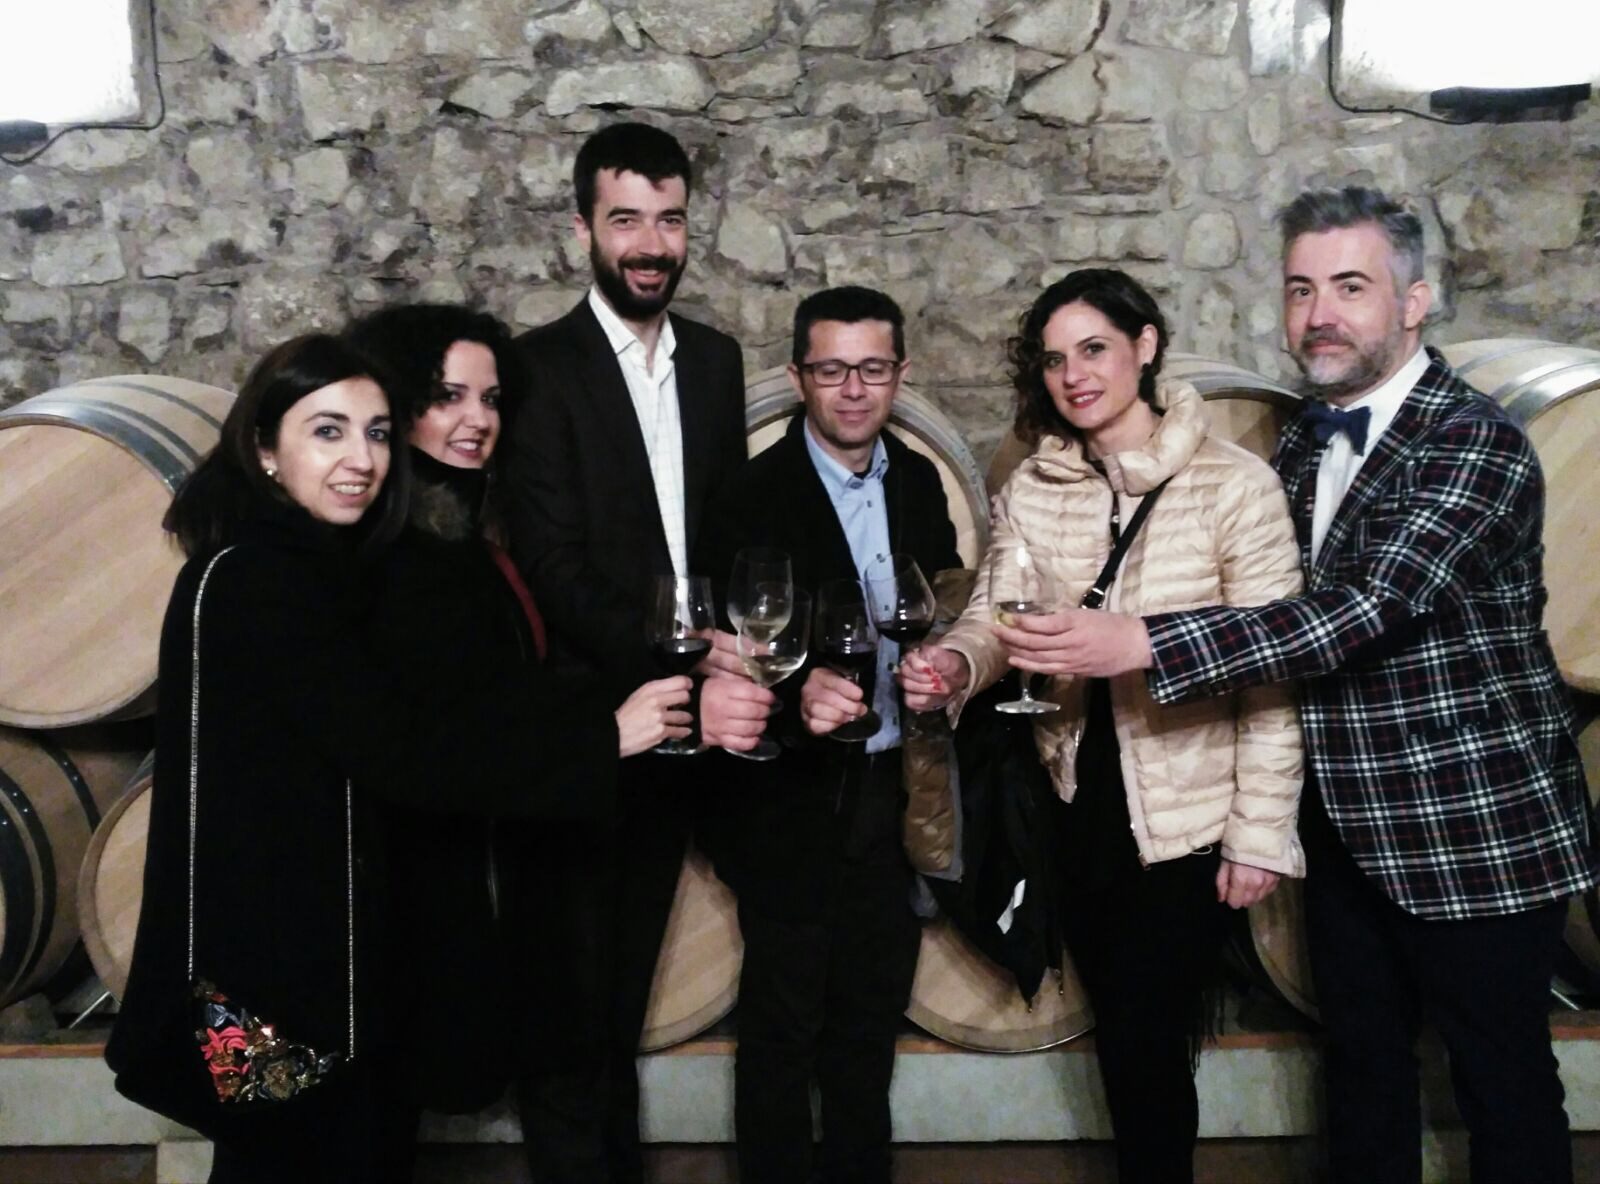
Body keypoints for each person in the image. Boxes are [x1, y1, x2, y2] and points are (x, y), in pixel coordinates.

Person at [1006, 190, 1598, 1184]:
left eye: (1350, 287)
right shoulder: (1306, 441)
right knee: (1361, 1071)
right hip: (1345, 824)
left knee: (1501, 1084)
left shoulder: (1472, 442)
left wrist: (1143, 639)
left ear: (1415, 301)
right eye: (1299, 289)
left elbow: (1363, 609)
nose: (1319, 313)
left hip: (1471, 823)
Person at [104, 335, 624, 1183]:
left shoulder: (293, 565)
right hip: (272, 984)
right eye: (328, 431)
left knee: (304, 1161)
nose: (362, 459)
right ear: (265, 450)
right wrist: (602, 739)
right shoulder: (264, 579)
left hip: (297, 970)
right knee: (299, 1164)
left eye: (377, 433)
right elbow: (401, 751)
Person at [901, 268, 1305, 1184]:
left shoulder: (1233, 486)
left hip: (1187, 814)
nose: (1074, 376)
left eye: (1093, 350)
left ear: (1145, 347)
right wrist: (957, 664)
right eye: (1054, 360)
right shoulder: (1036, 484)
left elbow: (1271, 670)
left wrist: (1258, 835)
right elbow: (996, 617)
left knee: (1150, 1038)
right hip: (1076, 798)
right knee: (1125, 1037)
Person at [343, 304, 692, 1120]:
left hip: (469, 873)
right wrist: (602, 736)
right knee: (340, 1131)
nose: (477, 420)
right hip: (390, 901)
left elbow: (495, 693)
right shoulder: (393, 556)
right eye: (449, 396)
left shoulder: (460, 537)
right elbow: (436, 740)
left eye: (492, 399)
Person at [502, 121, 766, 1183]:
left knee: (622, 1001)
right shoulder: (534, 369)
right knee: (567, 1013)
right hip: (586, 730)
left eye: (669, 219)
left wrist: (740, 646)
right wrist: (689, 654)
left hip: (685, 732)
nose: (651, 244)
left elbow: (725, 535)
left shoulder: (715, 361)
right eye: (626, 220)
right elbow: (553, 566)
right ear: (583, 229)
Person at [695, 285, 961, 1184]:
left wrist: (942, 665)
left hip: (891, 790)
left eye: (872, 369)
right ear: (798, 375)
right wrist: (789, 695)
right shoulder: (749, 496)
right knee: (783, 1029)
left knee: (868, 1023)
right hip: (789, 802)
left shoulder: (918, 481)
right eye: (833, 369)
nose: (853, 389)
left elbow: (941, 607)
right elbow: (720, 652)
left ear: (900, 374)